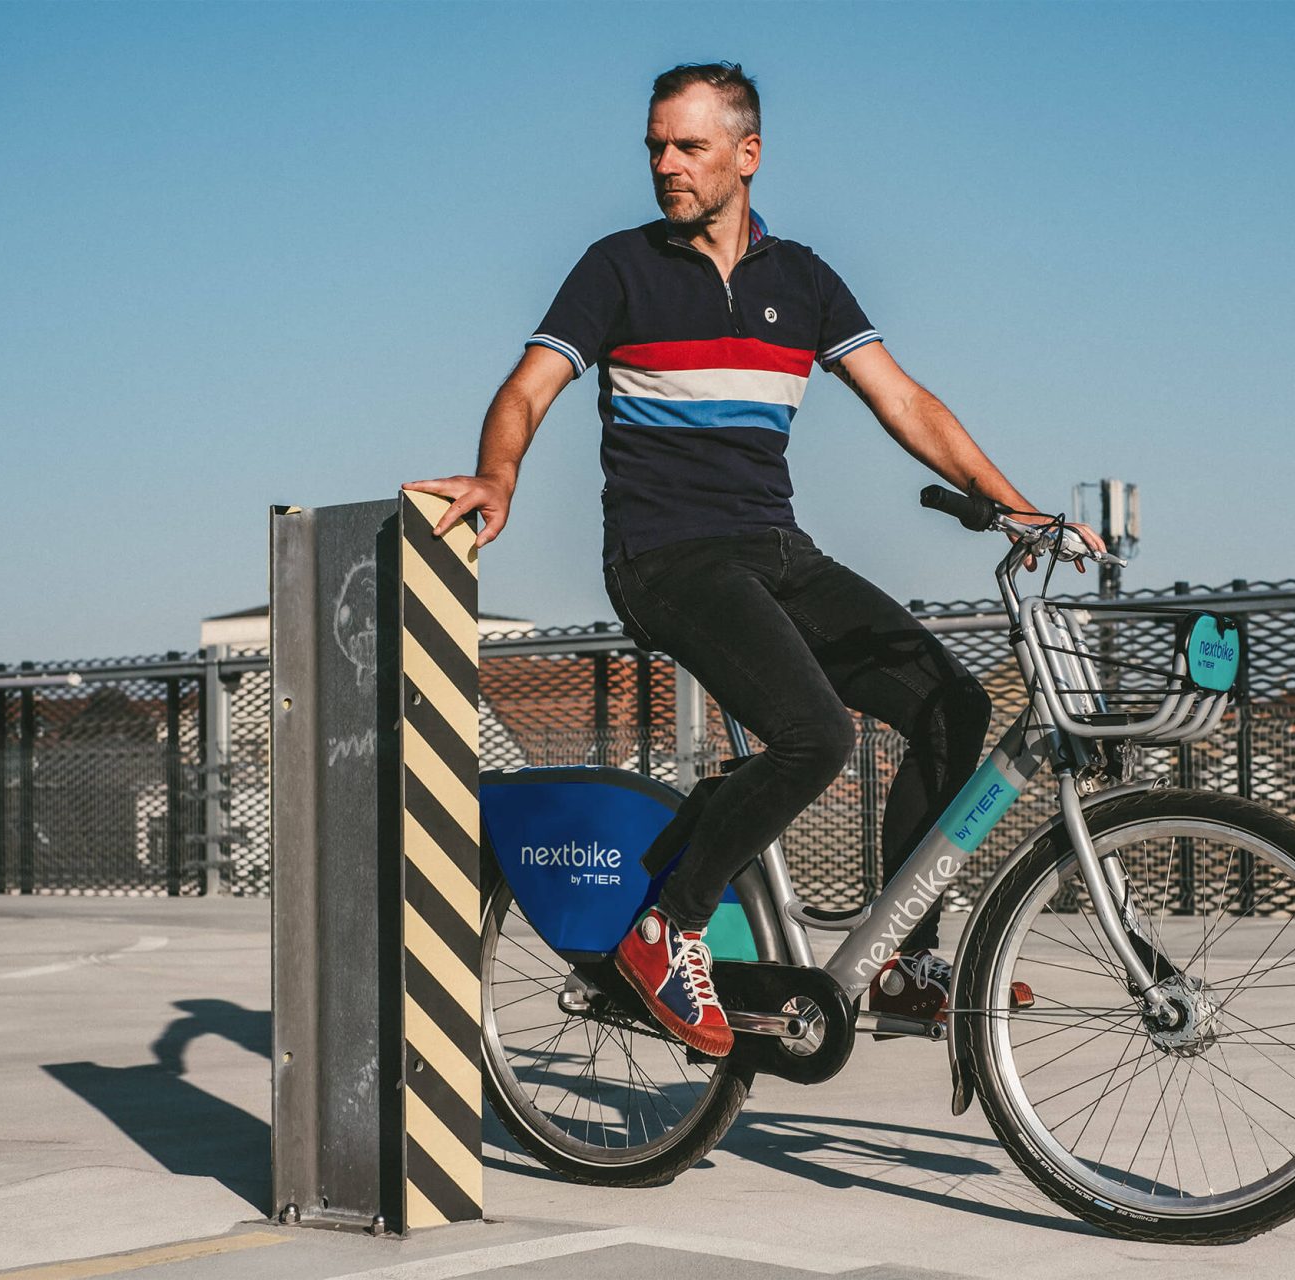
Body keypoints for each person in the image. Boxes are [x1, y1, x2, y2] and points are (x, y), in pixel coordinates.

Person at [408, 62, 1098, 1057]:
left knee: (953, 703)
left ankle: (903, 959)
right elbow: (527, 387)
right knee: (813, 733)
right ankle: (664, 922)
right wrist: (497, 477)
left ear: (747, 154)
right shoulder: (618, 269)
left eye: (688, 146)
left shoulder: (803, 280)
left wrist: (1015, 506)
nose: (665, 164)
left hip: (777, 549)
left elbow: (905, 401)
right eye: (655, 145)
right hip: (665, 554)